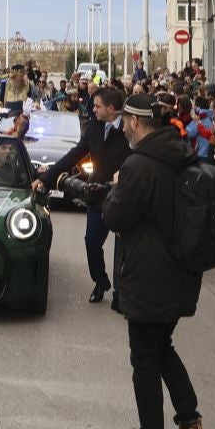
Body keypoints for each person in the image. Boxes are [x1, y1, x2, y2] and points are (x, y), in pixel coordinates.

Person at [98, 93, 209, 429]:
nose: (124, 127)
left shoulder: (139, 164)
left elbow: (115, 216)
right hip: (180, 271)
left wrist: (115, 186)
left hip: (149, 276)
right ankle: (191, 428)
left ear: (134, 120)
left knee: (144, 358)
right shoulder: (180, 153)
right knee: (161, 347)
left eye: (126, 120)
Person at [31, 85, 131, 305]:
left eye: (97, 106)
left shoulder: (129, 128)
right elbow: (74, 155)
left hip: (124, 195)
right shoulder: (94, 127)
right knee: (92, 242)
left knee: (123, 246)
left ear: (111, 109)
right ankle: (101, 281)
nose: (92, 110)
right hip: (96, 193)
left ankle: (120, 294)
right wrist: (46, 179)